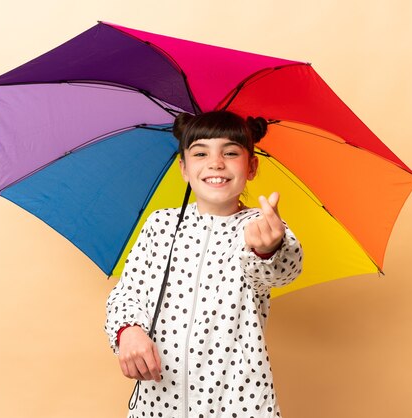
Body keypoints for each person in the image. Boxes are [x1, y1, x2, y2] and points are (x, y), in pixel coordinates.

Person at [105, 110, 303, 417]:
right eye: (200, 152)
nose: (215, 163)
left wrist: (269, 248)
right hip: (158, 405)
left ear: (251, 166)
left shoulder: (260, 227)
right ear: (184, 168)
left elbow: (282, 270)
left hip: (240, 405)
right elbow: (126, 293)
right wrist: (128, 330)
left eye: (231, 152)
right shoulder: (160, 225)